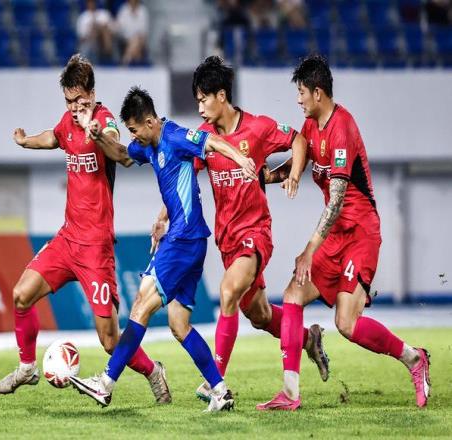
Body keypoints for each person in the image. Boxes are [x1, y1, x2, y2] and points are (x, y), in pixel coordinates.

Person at [257, 55, 431, 411]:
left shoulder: (342, 128)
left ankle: (415, 358)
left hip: (360, 232)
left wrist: (308, 250)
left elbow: (336, 201)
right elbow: (295, 165)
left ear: (318, 93)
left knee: (346, 324)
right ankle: (290, 393)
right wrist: (263, 177)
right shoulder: (311, 127)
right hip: (335, 234)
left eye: (302, 92)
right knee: (292, 294)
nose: (298, 100)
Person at [0, 55, 171, 406]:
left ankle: (153, 371)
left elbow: (118, 149)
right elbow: (54, 137)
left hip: (96, 248)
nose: (75, 107)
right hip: (67, 240)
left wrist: (96, 131)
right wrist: (26, 141)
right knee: (20, 295)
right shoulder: (68, 121)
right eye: (69, 101)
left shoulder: (104, 120)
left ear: (92, 94)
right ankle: (27, 367)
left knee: (109, 340)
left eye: (79, 100)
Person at [69, 87, 257, 411]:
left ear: (150, 122)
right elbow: (122, 154)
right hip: (189, 241)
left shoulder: (174, 136)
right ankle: (220, 391)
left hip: (183, 240)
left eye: (135, 129)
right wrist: (97, 135)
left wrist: (241, 158)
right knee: (179, 325)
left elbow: (211, 142)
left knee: (140, 305)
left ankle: (106, 383)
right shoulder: (148, 145)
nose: (133, 136)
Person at [185, 56, 330, 402]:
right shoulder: (205, 138)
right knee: (260, 315)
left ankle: (215, 381)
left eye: (204, 100)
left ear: (221, 96)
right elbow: (185, 176)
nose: (200, 108)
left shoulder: (258, 127)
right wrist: (165, 215)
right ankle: (308, 339)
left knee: (227, 291)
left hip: (255, 233)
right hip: (227, 239)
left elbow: (299, 141)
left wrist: (292, 174)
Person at [76, 0, 115, 65]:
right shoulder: (83, 17)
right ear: (87, 4)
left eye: (93, 2)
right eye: (90, 3)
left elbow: (113, 29)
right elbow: (81, 36)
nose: (92, 4)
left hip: (103, 40)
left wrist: (100, 27)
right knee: (92, 36)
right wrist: (92, 30)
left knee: (104, 29)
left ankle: (108, 51)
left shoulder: (104, 14)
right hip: (90, 41)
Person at [114, 0, 149, 65]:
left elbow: (143, 30)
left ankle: (125, 62)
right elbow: (119, 26)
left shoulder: (142, 10)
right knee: (136, 49)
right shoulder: (124, 9)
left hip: (139, 39)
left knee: (136, 41)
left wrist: (135, 38)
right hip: (125, 39)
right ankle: (135, 64)